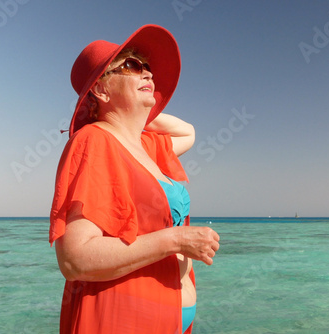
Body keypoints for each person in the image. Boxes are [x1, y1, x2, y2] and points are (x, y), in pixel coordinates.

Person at [49, 24, 220, 334]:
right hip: (122, 320)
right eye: (131, 65)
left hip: (173, 319)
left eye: (148, 67)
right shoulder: (94, 141)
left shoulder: (148, 145)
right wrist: (176, 240)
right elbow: (75, 259)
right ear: (101, 89)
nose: (148, 74)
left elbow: (189, 132)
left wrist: (139, 115)